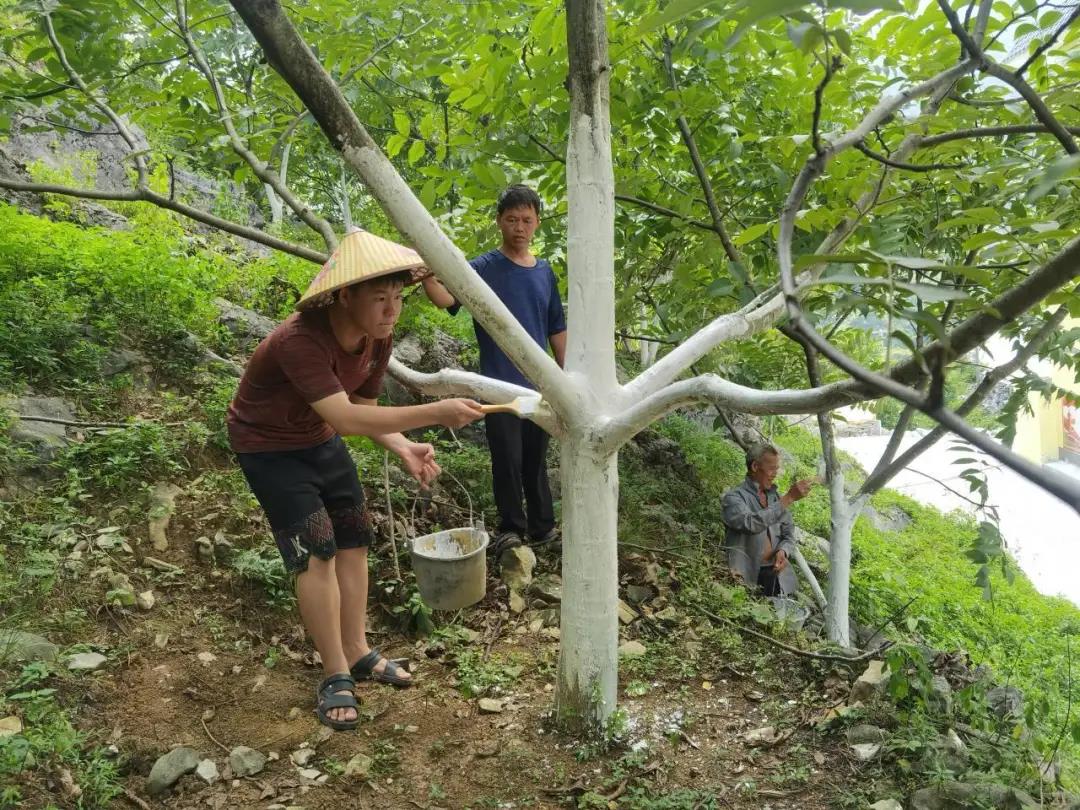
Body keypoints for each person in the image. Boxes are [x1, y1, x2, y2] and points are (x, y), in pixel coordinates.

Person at [227, 228, 485, 731]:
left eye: (398, 298)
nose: (391, 310)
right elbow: (346, 417)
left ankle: (358, 650)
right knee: (316, 551)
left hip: (318, 438)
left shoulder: (376, 339)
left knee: (354, 539)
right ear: (345, 295)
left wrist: (403, 446)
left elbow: (364, 407)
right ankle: (335, 673)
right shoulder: (300, 340)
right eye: (379, 298)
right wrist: (434, 412)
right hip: (267, 447)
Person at [420, 184, 566, 557]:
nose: (520, 227)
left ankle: (543, 528)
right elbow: (446, 298)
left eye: (527, 220)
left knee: (535, 460)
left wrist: (565, 380)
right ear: (499, 221)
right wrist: (427, 274)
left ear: (537, 223)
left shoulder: (544, 272)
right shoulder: (484, 268)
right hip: (497, 384)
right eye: (512, 219)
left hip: (540, 385)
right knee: (507, 458)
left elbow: (556, 328)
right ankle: (511, 529)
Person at [721, 443, 815, 597]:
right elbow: (750, 523)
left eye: (777, 469)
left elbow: (788, 534)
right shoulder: (733, 498)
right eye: (772, 469)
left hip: (777, 575)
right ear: (755, 466)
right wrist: (789, 498)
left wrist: (783, 551)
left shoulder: (775, 498)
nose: (775, 474)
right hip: (745, 576)